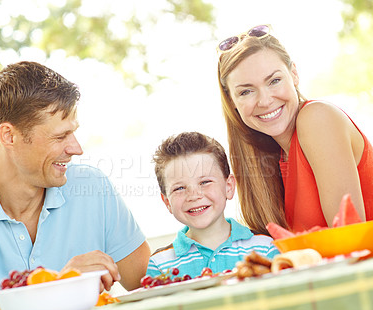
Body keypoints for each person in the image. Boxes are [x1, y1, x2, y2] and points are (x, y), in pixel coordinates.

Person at [0, 61, 151, 310]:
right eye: (60, 137)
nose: (76, 149)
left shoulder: (92, 188)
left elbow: (149, 283)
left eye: (73, 133)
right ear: (9, 136)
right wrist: (60, 287)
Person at [217, 24, 373, 235]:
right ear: (231, 100)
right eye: (246, 91)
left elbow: (350, 237)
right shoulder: (271, 158)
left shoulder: (317, 118)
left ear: (294, 74)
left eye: (274, 80)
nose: (265, 101)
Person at [146, 132, 279, 279]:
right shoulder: (159, 265)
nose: (194, 195)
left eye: (205, 182)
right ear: (167, 202)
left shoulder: (266, 247)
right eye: (179, 188)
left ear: (228, 187)